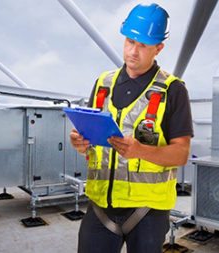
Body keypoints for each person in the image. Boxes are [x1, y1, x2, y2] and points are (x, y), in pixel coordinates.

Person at [70, 3, 193, 253]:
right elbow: (90, 144)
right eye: (129, 42)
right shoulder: (103, 83)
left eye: (143, 45)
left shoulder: (173, 90)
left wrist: (140, 151)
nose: (133, 52)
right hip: (100, 205)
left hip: (147, 212)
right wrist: (80, 143)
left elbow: (181, 154)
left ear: (159, 48)